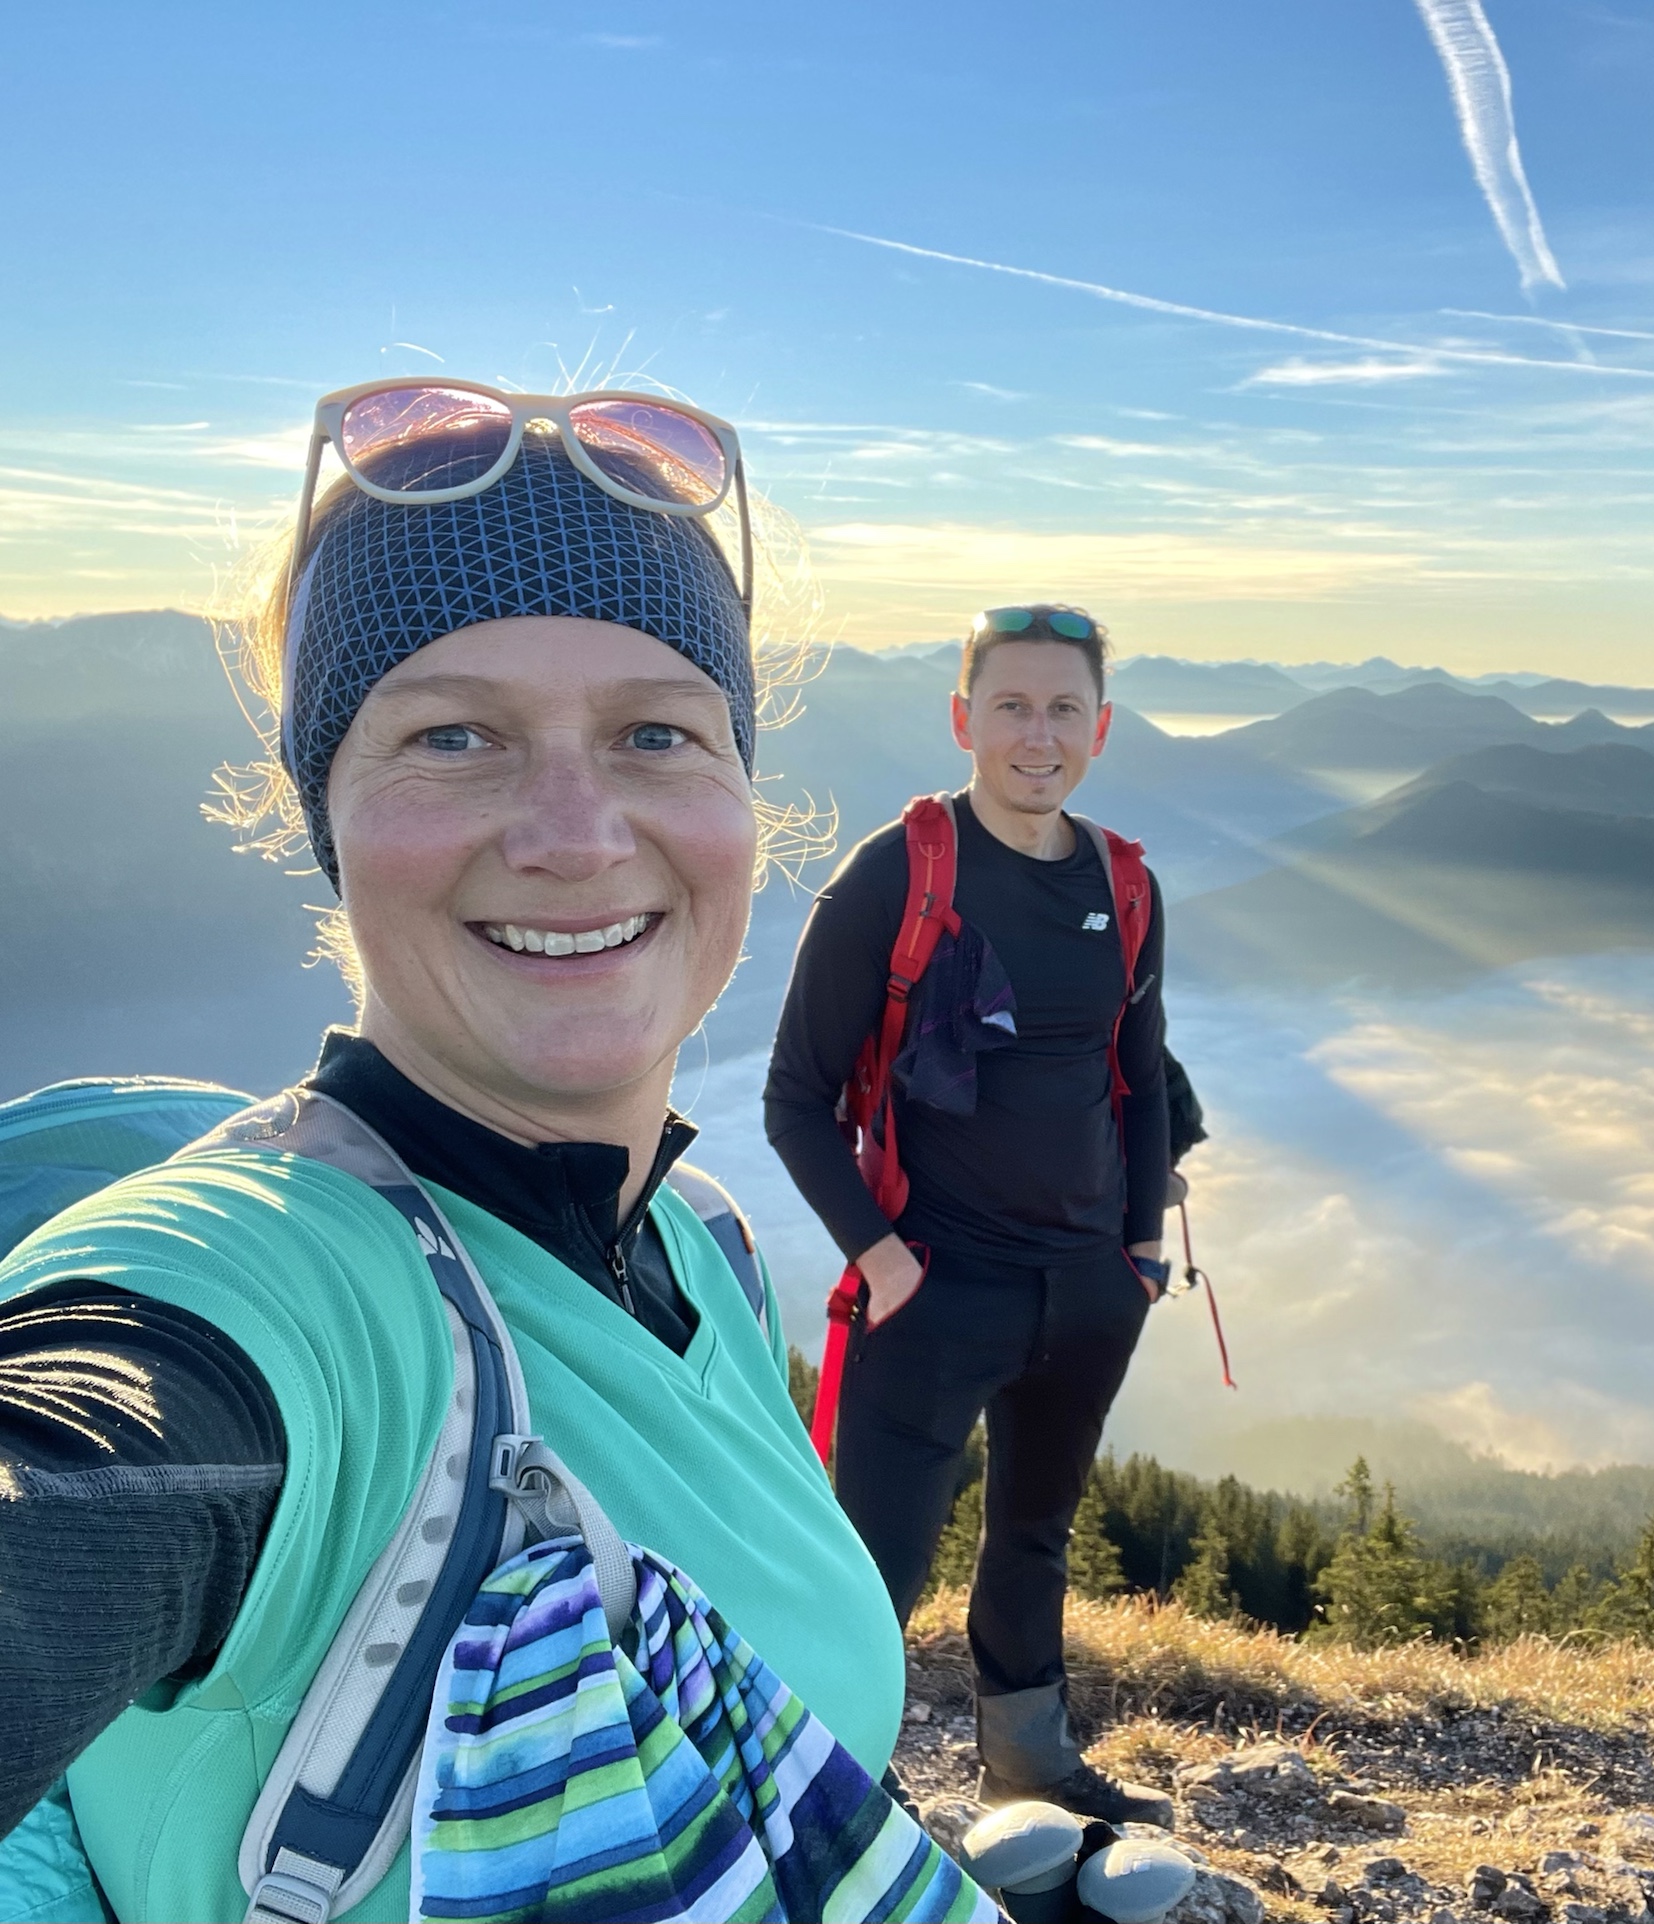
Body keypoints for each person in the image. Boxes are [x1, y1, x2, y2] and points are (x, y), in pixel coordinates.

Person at [0, 386, 909, 1919]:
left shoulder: (705, 1249)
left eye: (657, 733)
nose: (575, 831)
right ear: (328, 815)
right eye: (455, 736)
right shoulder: (256, 1298)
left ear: (743, 793)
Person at [764, 605, 1175, 1826]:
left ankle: (1032, 1770)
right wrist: (884, 1261)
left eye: (1062, 710)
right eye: (1010, 706)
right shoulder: (897, 875)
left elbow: (1141, 1072)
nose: (1037, 735)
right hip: (936, 1286)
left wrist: (1139, 1251)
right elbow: (794, 1098)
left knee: (1035, 1537)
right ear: (963, 720)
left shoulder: (1125, 882)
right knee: (872, 1563)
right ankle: (835, 1791)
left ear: (1099, 728)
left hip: (1087, 1284)